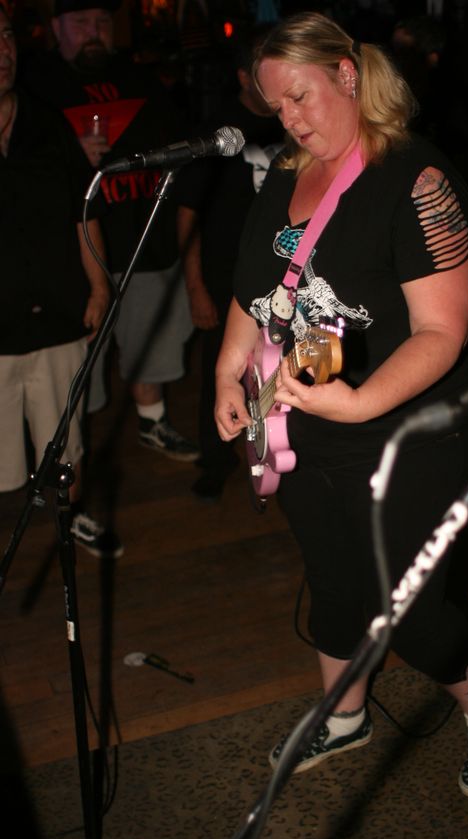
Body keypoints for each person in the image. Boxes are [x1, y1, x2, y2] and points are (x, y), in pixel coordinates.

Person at [215, 12, 468, 799]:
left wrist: (360, 402)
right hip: (305, 429)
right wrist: (226, 369)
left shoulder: (418, 180)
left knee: (413, 613)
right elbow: (254, 291)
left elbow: (443, 332)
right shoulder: (286, 172)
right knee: (332, 581)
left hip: (406, 433)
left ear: (347, 74)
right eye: (275, 104)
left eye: (302, 96)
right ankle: (345, 714)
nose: (289, 118)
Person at [23, 0, 200, 463]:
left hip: (145, 238)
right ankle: (76, 444)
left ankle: (152, 421)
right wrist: (67, 152)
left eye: (102, 21)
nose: (94, 30)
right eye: (81, 22)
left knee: (151, 343)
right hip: (78, 252)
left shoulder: (140, 78)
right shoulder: (34, 84)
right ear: (56, 26)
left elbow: (179, 147)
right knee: (82, 361)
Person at [0, 6, 121, 559]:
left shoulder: (47, 122)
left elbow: (83, 210)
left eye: (6, 37)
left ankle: (70, 518)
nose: (3, 51)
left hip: (58, 314)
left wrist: (99, 287)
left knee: (65, 445)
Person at [179, 26, 284, 500]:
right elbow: (188, 213)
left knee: (284, 368)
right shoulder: (219, 131)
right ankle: (217, 459)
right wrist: (195, 287)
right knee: (219, 373)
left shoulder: (293, 122)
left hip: (286, 275)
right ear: (244, 76)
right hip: (225, 276)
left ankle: (282, 457)